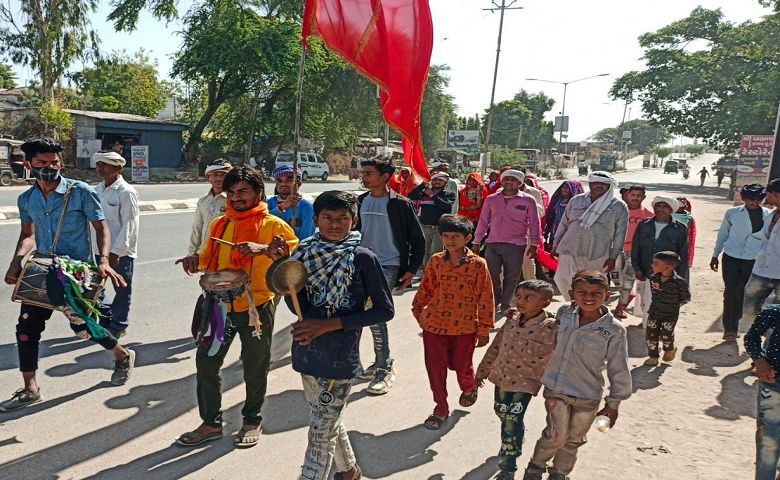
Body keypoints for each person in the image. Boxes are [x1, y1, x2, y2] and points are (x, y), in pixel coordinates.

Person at [0, 138, 133, 412]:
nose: (49, 168)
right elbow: (28, 235)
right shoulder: (27, 199)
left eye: (54, 162)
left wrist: (104, 260)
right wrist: (16, 261)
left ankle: (121, 355)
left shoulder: (79, 191)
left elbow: (101, 228)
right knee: (26, 330)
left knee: (85, 328)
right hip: (41, 271)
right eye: (41, 163)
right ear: (28, 165)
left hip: (76, 275)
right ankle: (30, 388)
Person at [174, 166, 298, 448]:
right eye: (232, 192)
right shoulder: (220, 224)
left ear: (259, 193)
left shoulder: (274, 226)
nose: (236, 197)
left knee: (255, 367)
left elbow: (293, 260)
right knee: (206, 363)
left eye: (243, 191)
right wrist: (195, 260)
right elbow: (208, 257)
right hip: (218, 309)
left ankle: (252, 420)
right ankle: (211, 423)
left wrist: (265, 250)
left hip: (257, 309)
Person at [288, 191, 394, 480]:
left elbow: (384, 311)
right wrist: (284, 276)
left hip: (339, 357)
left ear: (354, 220)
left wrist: (328, 325)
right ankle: (349, 471)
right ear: (316, 220)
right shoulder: (303, 253)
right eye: (327, 218)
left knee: (320, 432)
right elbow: (297, 305)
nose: (335, 224)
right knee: (326, 419)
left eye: (342, 218)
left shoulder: (363, 258)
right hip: (306, 350)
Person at [522, 271, 631, 480]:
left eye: (595, 293)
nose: (588, 297)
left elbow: (619, 369)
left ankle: (560, 473)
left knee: (574, 439)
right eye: (582, 292)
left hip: (588, 395)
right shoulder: (564, 314)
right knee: (555, 434)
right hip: (557, 388)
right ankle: (535, 468)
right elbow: (541, 327)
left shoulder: (613, 330)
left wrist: (613, 404)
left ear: (607, 295)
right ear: (572, 294)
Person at [412, 214, 495, 430]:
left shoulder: (478, 265)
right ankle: (440, 408)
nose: (450, 241)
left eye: (456, 236)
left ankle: (469, 387)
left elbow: (485, 297)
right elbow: (426, 287)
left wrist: (484, 329)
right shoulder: (436, 261)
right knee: (435, 368)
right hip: (434, 325)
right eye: (446, 236)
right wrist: (418, 310)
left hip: (465, 327)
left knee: (462, 367)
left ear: (467, 238)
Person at [476, 280, 558, 480]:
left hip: (526, 382)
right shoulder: (512, 319)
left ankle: (508, 466)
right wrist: (482, 371)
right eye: (518, 296)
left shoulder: (552, 327)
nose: (521, 301)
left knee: (511, 420)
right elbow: (497, 345)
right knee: (502, 411)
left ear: (545, 303)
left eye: (529, 298)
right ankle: (515, 435)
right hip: (502, 376)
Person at [356, 158, 424, 395]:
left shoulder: (400, 205)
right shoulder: (359, 202)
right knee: (355, 313)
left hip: (388, 264)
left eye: (369, 173)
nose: (364, 177)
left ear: (385, 177)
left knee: (376, 315)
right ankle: (358, 363)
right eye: (363, 173)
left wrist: (411, 269)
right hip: (359, 265)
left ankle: (384, 366)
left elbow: (417, 240)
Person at [551, 171, 628, 301]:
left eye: (604, 184)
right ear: (590, 184)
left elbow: (620, 234)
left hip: (598, 253)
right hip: (570, 248)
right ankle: (573, 306)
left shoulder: (618, 206)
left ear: (609, 186)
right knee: (563, 279)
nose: (599, 186)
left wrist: (613, 257)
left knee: (593, 285)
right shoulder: (576, 200)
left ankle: (590, 309)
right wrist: (555, 244)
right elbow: (563, 224)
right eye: (596, 183)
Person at [473, 169, 541, 315]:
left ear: (519, 182)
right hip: (493, 243)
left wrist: (535, 244)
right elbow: (483, 221)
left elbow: (535, 223)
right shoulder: (491, 199)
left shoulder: (528, 200)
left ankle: (505, 304)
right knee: (491, 274)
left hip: (516, 244)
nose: (509, 182)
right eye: (506, 179)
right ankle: (496, 299)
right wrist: (477, 241)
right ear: (502, 181)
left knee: (512, 276)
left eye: (513, 179)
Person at [710, 184, 772, 340]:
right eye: (750, 199)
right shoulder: (732, 213)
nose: (754, 202)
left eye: (758, 199)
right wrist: (715, 254)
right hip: (731, 257)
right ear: (744, 198)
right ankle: (730, 328)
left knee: (745, 293)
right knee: (731, 291)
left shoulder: (770, 215)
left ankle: (738, 318)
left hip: (754, 259)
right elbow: (723, 235)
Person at [93, 151, 140, 338]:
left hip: (120, 252)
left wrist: (116, 252)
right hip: (98, 249)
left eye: (105, 165)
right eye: (98, 164)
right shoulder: (96, 190)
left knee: (122, 288)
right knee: (94, 287)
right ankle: (106, 318)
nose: (100, 168)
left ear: (118, 168)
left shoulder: (127, 192)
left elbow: (129, 225)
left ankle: (119, 324)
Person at [631, 196, 689, 325]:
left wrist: (680, 279)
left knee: (663, 304)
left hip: (666, 276)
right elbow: (636, 249)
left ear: (671, 210)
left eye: (665, 207)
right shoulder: (644, 225)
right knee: (645, 302)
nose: (661, 209)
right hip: (646, 271)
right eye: (658, 206)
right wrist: (637, 268)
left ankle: (655, 331)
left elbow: (683, 255)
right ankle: (649, 328)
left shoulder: (680, 228)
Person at [744, 304, 780, 480]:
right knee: (768, 440)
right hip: (773, 384)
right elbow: (752, 336)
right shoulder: (775, 311)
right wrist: (759, 359)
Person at [741, 179, 780, 327]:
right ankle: (763, 328)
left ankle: (770, 345)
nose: (765, 198)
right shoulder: (770, 215)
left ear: (775, 194)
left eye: (767, 194)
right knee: (749, 306)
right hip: (762, 269)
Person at [643, 252, 691, 366]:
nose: (652, 265)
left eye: (656, 263)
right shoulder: (653, 278)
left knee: (665, 334)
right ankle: (653, 357)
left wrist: (673, 305)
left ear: (667, 267)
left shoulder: (680, 282)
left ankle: (669, 349)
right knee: (651, 335)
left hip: (670, 314)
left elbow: (686, 298)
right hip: (654, 312)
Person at [612, 185, 653, 319]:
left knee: (628, 281)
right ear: (627, 196)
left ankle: (620, 307)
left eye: (638, 195)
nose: (635, 198)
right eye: (633, 195)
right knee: (616, 280)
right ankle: (626, 295)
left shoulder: (648, 216)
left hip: (635, 253)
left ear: (643, 197)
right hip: (615, 251)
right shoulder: (617, 211)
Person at [408, 171, 456, 266]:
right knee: (424, 253)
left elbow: (446, 206)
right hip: (424, 227)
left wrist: (432, 196)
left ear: (445, 183)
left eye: (440, 180)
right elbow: (410, 196)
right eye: (435, 179)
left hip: (438, 229)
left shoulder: (449, 194)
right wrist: (423, 184)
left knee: (435, 253)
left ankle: (435, 275)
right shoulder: (424, 193)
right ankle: (427, 276)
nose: (437, 182)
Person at [185, 159, 232, 256]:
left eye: (223, 175)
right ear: (208, 177)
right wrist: (191, 254)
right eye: (215, 174)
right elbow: (197, 229)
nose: (219, 178)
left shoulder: (234, 200)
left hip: (226, 254)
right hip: (205, 253)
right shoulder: (203, 201)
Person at [267, 164, 316, 240]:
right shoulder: (268, 203)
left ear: (299, 183)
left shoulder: (307, 208)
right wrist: (282, 207)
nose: (283, 184)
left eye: (289, 180)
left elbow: (306, 239)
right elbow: (263, 224)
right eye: (279, 181)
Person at [542, 180, 584, 250]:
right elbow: (552, 213)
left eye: (567, 188)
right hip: (556, 227)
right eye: (563, 187)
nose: (564, 189)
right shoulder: (558, 198)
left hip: (570, 229)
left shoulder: (580, 202)